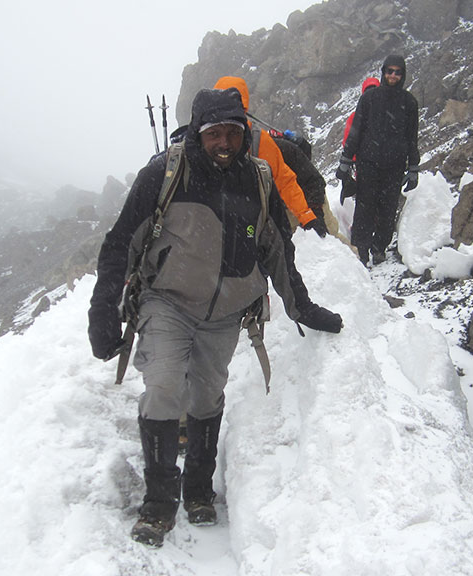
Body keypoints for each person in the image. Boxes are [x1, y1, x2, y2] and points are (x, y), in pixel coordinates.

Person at [88, 87, 342, 548]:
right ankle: (159, 502)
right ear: (197, 136)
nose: (225, 143)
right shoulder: (164, 175)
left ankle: (199, 491)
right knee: (164, 387)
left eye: (233, 133)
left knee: (206, 396)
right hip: (167, 302)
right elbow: (119, 243)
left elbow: (278, 251)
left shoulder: (259, 179)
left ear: (245, 133)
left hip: (226, 312)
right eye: (214, 135)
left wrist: (301, 306)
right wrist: (102, 310)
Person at [213, 76, 328, 238]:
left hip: (301, 199)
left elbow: (287, 181)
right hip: (239, 220)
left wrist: (309, 216)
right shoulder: (205, 140)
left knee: (330, 239)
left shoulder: (262, 143)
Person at [337, 56, 419, 266]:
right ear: (383, 72)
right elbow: (356, 131)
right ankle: (361, 251)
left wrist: (413, 168)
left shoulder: (409, 102)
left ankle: (379, 247)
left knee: (388, 209)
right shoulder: (369, 98)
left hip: (395, 166)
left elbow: (412, 137)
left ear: (403, 75)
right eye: (389, 71)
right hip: (368, 163)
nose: (393, 75)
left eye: (397, 72)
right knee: (365, 209)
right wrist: (346, 161)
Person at [269, 130, 346, 244]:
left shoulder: (282, 150)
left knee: (330, 238)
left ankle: (353, 259)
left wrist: (315, 213)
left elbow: (314, 181)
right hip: (282, 210)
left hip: (308, 198)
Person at [339, 77, 380, 205]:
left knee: (365, 198)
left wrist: (351, 159)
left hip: (363, 164)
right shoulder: (387, 115)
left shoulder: (355, 116)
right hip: (378, 163)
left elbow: (347, 141)